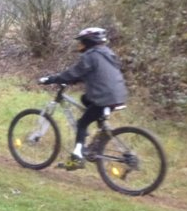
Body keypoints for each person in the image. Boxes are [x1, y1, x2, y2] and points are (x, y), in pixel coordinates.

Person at [38, 27, 128, 170]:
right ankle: (99, 136)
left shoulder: (90, 56)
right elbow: (95, 74)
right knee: (85, 99)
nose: (79, 45)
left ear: (88, 42)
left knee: (82, 123)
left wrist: (51, 79)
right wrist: (75, 80)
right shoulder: (108, 53)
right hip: (118, 94)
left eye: (81, 42)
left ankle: (77, 157)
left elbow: (73, 73)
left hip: (103, 97)